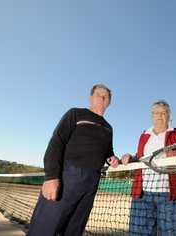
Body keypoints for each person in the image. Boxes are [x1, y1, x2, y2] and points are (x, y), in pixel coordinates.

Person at [28, 84, 119, 236]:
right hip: (68, 175)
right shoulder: (75, 113)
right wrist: (51, 176)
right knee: (45, 228)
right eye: (98, 94)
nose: (102, 98)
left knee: (74, 230)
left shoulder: (109, 128)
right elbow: (57, 141)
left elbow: (108, 152)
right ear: (91, 97)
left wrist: (112, 158)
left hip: (93, 181)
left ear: (109, 102)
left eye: (106, 96)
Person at [121, 100, 176, 236]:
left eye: (163, 113)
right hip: (143, 195)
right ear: (152, 115)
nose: (159, 115)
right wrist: (130, 157)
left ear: (169, 116)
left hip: (170, 196)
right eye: (156, 112)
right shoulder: (144, 135)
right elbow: (141, 157)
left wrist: (175, 153)